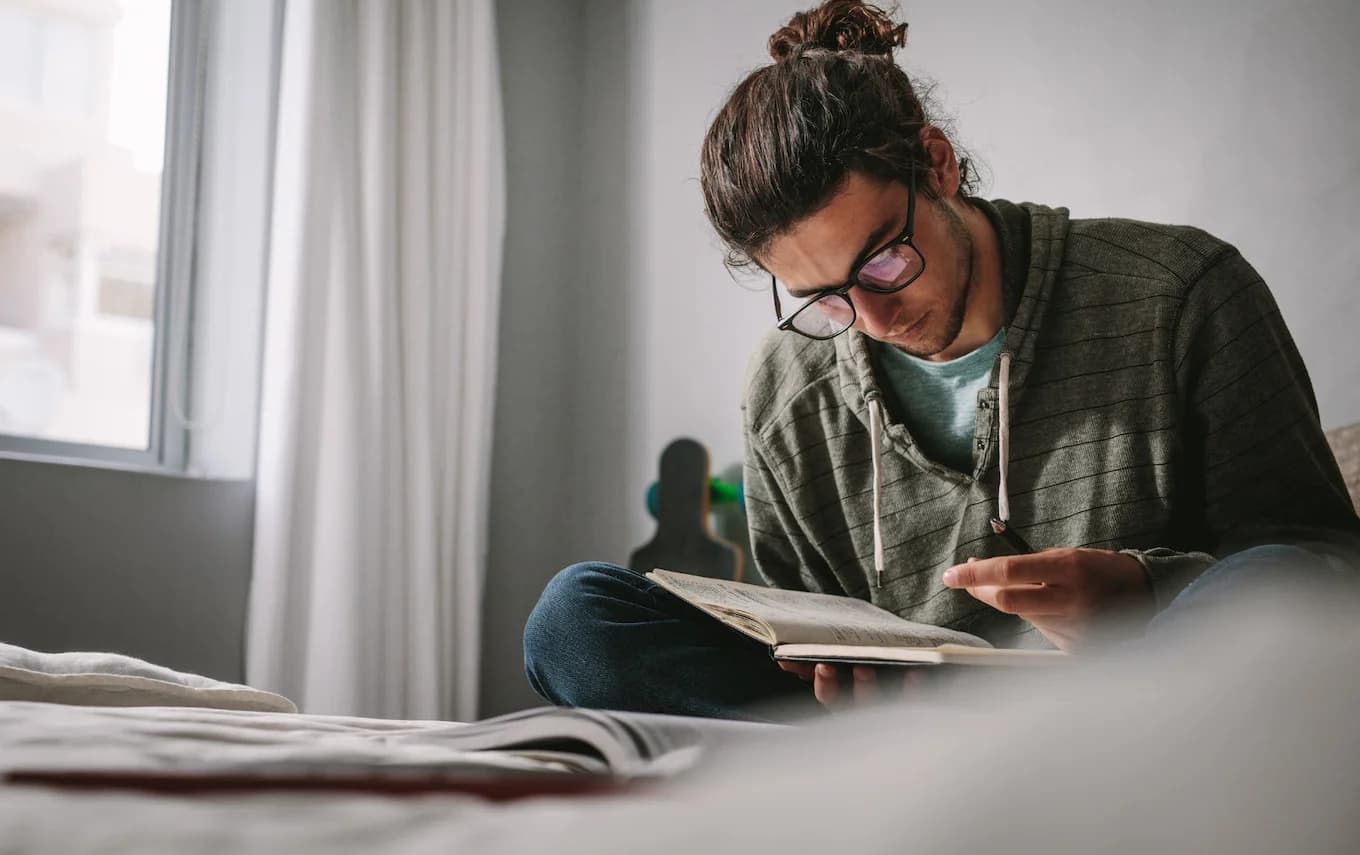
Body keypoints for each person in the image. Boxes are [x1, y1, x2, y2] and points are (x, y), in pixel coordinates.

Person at [522, 0, 1360, 719]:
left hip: (1137, 701)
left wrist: (1146, 595)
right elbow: (799, 624)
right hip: (910, 729)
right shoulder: (786, 388)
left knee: (1272, 583)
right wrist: (833, 674)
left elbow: (1320, 562)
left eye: (883, 260)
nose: (872, 320)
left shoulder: (1181, 292)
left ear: (937, 163)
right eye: (825, 298)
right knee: (574, 618)